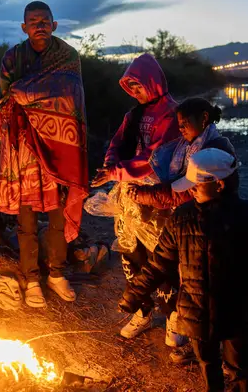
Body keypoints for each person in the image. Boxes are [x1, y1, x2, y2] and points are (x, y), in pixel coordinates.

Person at [119, 148, 248, 392]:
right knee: (206, 362)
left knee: (238, 367)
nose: (191, 189)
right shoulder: (182, 217)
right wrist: (134, 293)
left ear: (220, 185)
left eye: (196, 185)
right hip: (196, 310)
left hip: (235, 310)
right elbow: (159, 262)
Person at [0, 1, 88, 308]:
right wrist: (25, 96)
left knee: (57, 214)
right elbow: (1, 100)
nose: (39, 25)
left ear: (54, 24)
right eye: (33, 21)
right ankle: (31, 279)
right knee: (26, 218)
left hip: (59, 146)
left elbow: (71, 96)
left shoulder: (68, 56)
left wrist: (28, 94)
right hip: (24, 149)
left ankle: (56, 274)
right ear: (24, 27)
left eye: (45, 20)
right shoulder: (13, 57)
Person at [90, 53, 182, 344]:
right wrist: (110, 166)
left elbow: (155, 157)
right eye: (131, 88)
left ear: (153, 82)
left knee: (163, 257)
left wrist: (116, 171)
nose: (136, 92)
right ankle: (142, 311)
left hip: (158, 200)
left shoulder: (172, 115)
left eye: (139, 86)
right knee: (131, 253)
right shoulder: (133, 115)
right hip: (128, 195)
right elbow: (117, 143)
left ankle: (173, 318)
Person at [125, 97, 236, 209]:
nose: (180, 128)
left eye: (184, 123)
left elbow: (183, 194)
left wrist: (142, 194)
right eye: (179, 124)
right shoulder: (186, 145)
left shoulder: (213, 153)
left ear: (204, 118)